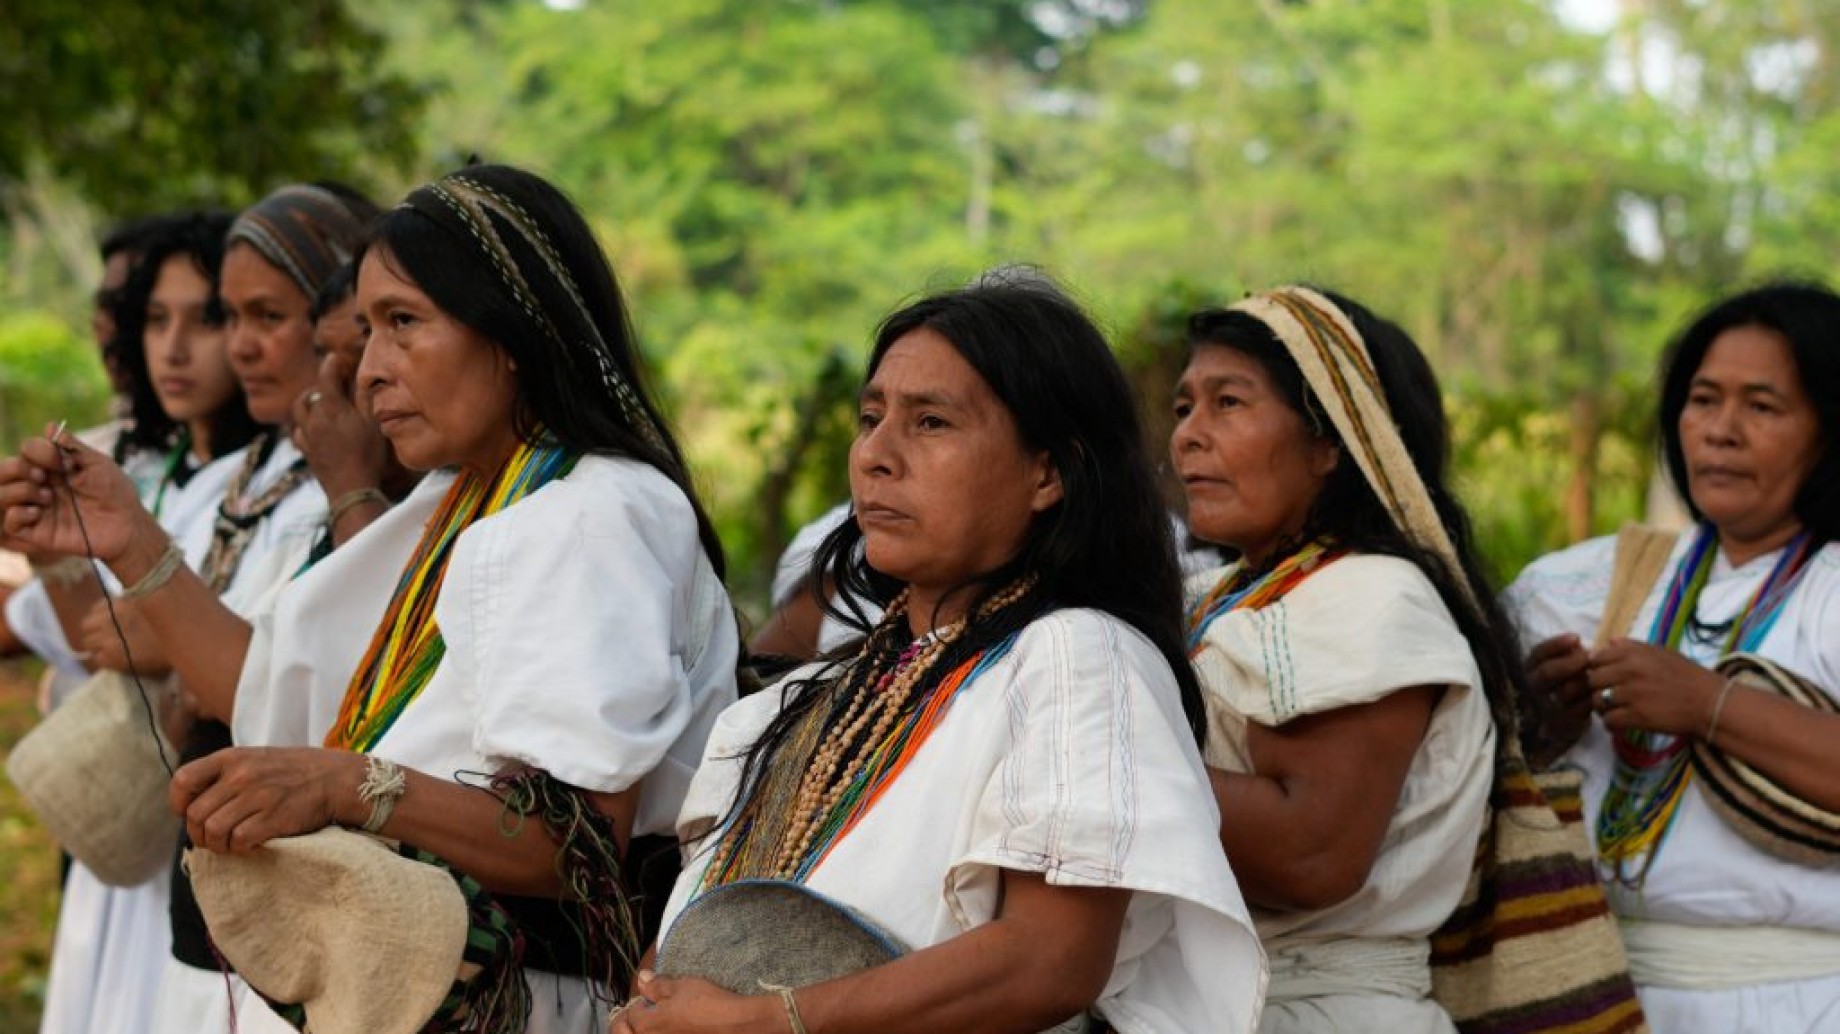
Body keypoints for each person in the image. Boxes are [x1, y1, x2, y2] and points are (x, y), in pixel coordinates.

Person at [3, 164, 741, 1032]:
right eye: (366, 332)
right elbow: (278, 697)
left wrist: (349, 785)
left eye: (401, 325)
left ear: (511, 336)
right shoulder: (461, 501)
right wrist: (125, 538)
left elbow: (570, 844)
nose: (369, 374)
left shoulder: (594, 510)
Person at [627, 280, 1266, 1034]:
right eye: (870, 419)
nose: (876, 456)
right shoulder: (787, 706)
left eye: (931, 421)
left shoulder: (1074, 655)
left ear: (1048, 473)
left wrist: (771, 1021)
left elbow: (1050, 957)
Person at [1174, 286, 1525, 1033]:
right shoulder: (1222, 595)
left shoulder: (1370, 596)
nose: (1188, 436)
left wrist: (1091, 759)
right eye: (1183, 408)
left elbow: (1312, 856)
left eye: (1228, 403)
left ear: (1329, 441)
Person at [1506, 282, 1840, 1032]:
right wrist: (1534, 733)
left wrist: (1708, 705)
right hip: (1597, 999)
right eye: (1702, 399)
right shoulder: (1577, 586)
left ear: (1829, 433)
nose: (1720, 430)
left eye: (1763, 406)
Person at [4, 210, 257, 1034]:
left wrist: (159, 632)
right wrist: (47, 550)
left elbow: (241, 669)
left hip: (209, 851)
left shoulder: (279, 484)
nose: (175, 348)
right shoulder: (150, 466)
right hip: (121, 831)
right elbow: (100, 640)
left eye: (208, 319)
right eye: (157, 319)